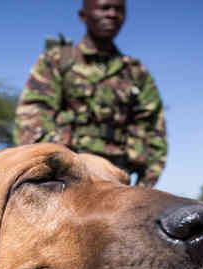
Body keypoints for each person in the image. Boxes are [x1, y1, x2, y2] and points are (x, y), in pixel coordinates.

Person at [14, 0, 167, 187]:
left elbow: (154, 131)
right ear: (83, 16)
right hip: (64, 179)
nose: (112, 14)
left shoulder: (136, 73)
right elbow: (32, 117)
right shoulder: (56, 60)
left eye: (118, 9)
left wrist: (143, 188)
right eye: (104, 8)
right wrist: (49, 175)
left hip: (117, 181)